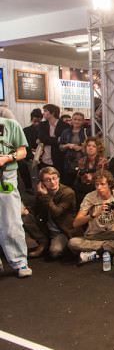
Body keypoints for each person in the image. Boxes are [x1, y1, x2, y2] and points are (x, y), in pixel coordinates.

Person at [0, 108, 33, 277]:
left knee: (11, 223)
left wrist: (7, 158)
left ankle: (19, 262)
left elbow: (22, 151)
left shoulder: (11, 125)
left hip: (6, 176)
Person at [23, 167, 82, 259]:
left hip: (61, 230)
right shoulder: (41, 193)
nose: (52, 182)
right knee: (25, 217)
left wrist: (45, 196)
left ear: (58, 178)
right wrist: (26, 211)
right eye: (48, 180)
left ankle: (61, 244)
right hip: (47, 227)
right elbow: (36, 208)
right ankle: (43, 242)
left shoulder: (67, 193)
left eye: (54, 178)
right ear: (42, 182)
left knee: (54, 253)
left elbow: (56, 212)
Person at [73, 136, 108, 207]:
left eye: (94, 146)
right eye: (88, 145)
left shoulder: (102, 161)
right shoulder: (81, 160)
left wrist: (92, 179)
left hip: (96, 187)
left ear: (98, 149)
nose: (90, 148)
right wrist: (80, 175)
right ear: (85, 147)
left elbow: (102, 178)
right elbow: (80, 176)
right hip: (82, 187)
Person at [59, 112, 91, 186]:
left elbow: (92, 146)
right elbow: (61, 147)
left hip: (83, 161)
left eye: (79, 120)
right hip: (69, 162)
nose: (76, 121)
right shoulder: (65, 132)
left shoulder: (87, 132)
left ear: (83, 121)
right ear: (72, 120)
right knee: (69, 183)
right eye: (74, 119)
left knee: (83, 184)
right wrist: (68, 145)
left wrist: (81, 148)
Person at [38, 103, 70, 178]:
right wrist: (58, 139)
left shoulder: (64, 125)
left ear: (52, 113)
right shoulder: (42, 125)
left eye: (46, 111)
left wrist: (51, 140)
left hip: (59, 159)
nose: (43, 113)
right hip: (45, 158)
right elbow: (43, 139)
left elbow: (64, 140)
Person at [19, 108, 43, 193]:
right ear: (31, 120)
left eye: (38, 122)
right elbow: (25, 145)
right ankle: (28, 186)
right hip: (29, 152)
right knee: (22, 164)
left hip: (41, 152)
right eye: (34, 121)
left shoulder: (43, 130)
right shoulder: (26, 130)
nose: (36, 124)